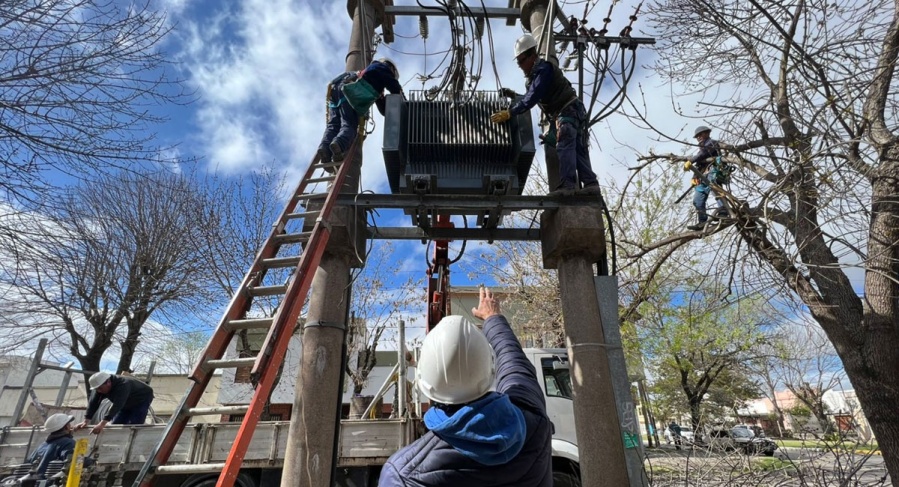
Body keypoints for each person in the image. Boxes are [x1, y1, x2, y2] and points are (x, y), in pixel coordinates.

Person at [378, 287, 552, 486]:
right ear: (489, 371)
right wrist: (493, 318)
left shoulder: (403, 475)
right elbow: (514, 363)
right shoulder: (534, 420)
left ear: (423, 381)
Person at [490, 34, 599, 195]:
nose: (520, 65)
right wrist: (514, 96)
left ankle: (568, 187)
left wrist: (510, 112)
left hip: (568, 110)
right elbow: (531, 95)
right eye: (518, 62)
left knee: (565, 146)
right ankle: (591, 185)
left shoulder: (544, 69)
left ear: (532, 55)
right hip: (573, 111)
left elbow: (532, 97)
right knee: (576, 148)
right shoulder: (536, 76)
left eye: (522, 60)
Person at [317, 58, 403, 166]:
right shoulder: (382, 68)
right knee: (349, 124)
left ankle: (324, 149)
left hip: (335, 90)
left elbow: (383, 110)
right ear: (391, 69)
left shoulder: (369, 75)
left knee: (333, 125)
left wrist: (385, 101)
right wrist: (402, 99)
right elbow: (394, 87)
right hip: (349, 92)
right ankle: (338, 144)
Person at [74, 371, 154, 434]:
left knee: (134, 425)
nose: (99, 391)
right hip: (126, 403)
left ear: (108, 382)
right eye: (97, 389)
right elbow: (93, 403)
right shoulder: (99, 387)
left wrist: (102, 424)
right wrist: (86, 421)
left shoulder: (123, 384)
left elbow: (117, 404)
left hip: (142, 398)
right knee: (116, 424)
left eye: (100, 388)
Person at [684, 125, 725, 230]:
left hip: (714, 172)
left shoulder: (712, 143)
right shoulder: (701, 148)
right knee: (697, 200)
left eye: (700, 134)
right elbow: (699, 164)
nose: (699, 137)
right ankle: (702, 222)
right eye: (697, 136)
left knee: (716, 189)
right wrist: (694, 177)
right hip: (703, 176)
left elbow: (702, 154)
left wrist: (691, 161)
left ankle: (724, 210)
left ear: (707, 133)